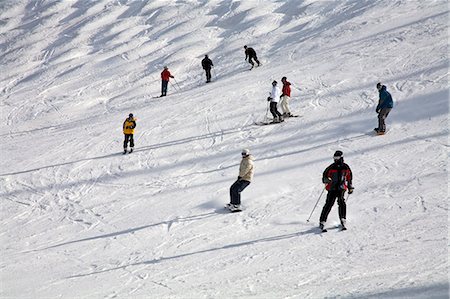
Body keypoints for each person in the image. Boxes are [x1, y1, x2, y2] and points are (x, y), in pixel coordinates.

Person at [319, 150, 354, 231]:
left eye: (337, 158)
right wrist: (326, 180)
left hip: (341, 188)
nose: (335, 159)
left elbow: (349, 178)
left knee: (341, 202)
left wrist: (350, 187)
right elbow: (324, 176)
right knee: (329, 203)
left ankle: (343, 218)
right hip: (332, 188)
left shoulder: (345, 167)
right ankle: (322, 221)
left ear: (341, 157)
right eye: (334, 158)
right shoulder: (331, 167)